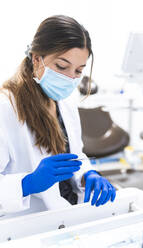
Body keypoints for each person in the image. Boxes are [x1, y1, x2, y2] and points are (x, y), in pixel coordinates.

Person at [0, 15, 116, 218]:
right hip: (27, 224)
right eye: (62, 67)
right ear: (37, 59)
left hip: (68, 213)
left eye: (78, 71)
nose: (70, 78)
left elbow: (75, 156)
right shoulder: (6, 106)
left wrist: (87, 175)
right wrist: (28, 183)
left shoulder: (65, 101)